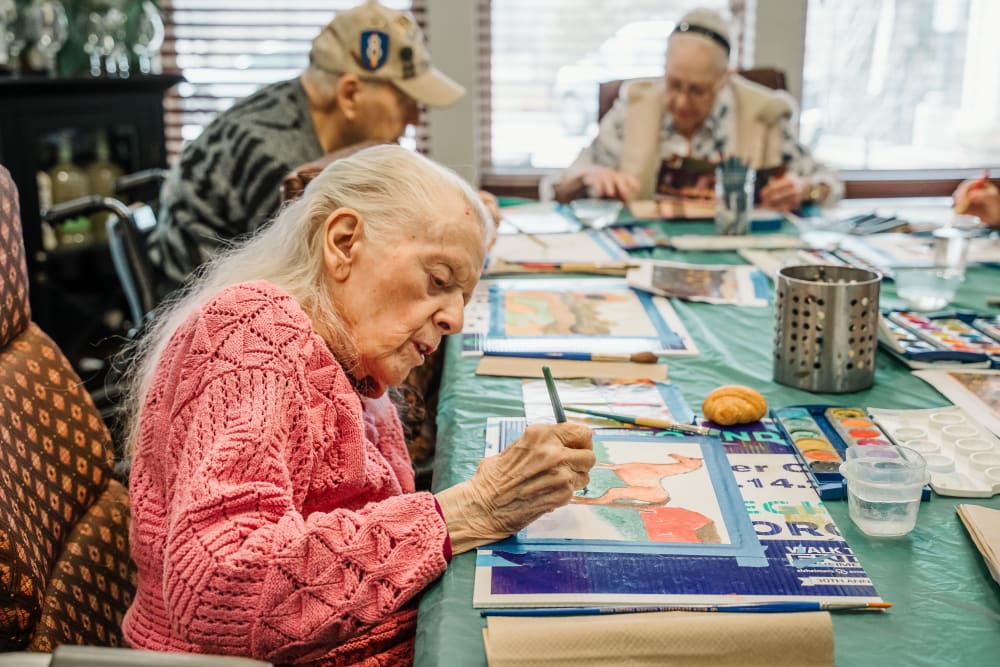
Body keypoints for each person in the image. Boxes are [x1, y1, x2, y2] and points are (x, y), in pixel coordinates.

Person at [121, 145, 595, 665]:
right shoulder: (251, 331)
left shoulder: (348, 363)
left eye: (464, 295)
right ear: (344, 243)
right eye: (439, 281)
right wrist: (470, 509)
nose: (455, 319)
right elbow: (223, 583)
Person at [150, 0, 472, 286]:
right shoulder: (277, 157)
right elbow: (322, 282)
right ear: (349, 95)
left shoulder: (298, 109)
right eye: (405, 100)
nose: (415, 117)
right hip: (203, 319)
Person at [549, 8, 843, 212]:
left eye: (698, 90)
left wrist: (804, 189)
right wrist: (588, 176)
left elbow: (829, 181)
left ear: (725, 80)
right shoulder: (634, 108)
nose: (681, 102)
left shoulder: (763, 113)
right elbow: (556, 187)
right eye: (674, 84)